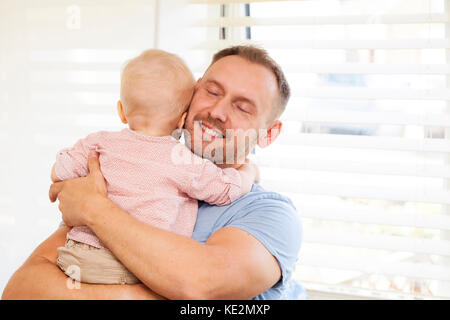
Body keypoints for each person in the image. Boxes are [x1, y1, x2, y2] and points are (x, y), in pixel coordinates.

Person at [2, 45, 304, 300]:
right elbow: (22, 290)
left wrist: (94, 209)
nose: (217, 111)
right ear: (190, 94)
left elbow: (200, 284)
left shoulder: (270, 215)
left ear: (269, 133)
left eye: (242, 107)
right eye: (211, 91)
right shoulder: (122, 171)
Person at [51, 49, 257, 285]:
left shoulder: (99, 143)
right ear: (182, 119)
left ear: (121, 111)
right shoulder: (182, 161)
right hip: (132, 267)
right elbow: (226, 189)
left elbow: (61, 170)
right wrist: (249, 171)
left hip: (76, 256)